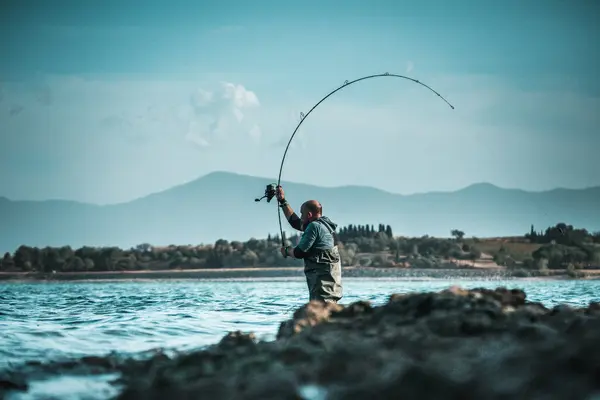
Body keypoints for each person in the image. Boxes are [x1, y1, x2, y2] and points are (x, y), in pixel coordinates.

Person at [275, 185, 343, 303]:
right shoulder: (324, 224)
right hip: (331, 286)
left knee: (321, 311)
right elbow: (296, 223)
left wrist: (287, 251)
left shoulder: (314, 226)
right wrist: (282, 201)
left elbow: (300, 252)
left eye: (302, 214)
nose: (300, 217)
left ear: (309, 215)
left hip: (322, 286)